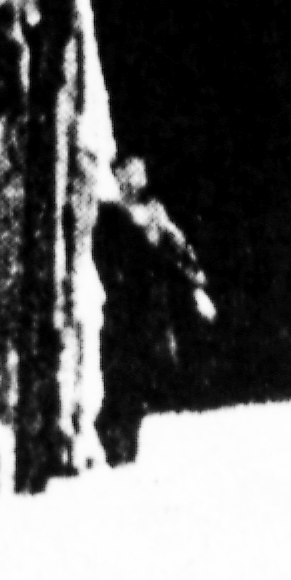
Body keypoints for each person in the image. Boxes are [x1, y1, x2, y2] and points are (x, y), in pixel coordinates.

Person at [91, 154, 214, 468]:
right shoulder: (106, 214)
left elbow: (178, 250)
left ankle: (127, 443)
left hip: (148, 310)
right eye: (128, 171)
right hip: (116, 307)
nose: (135, 177)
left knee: (142, 376)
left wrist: (196, 286)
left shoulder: (154, 214)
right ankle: (112, 441)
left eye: (139, 170)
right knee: (116, 377)